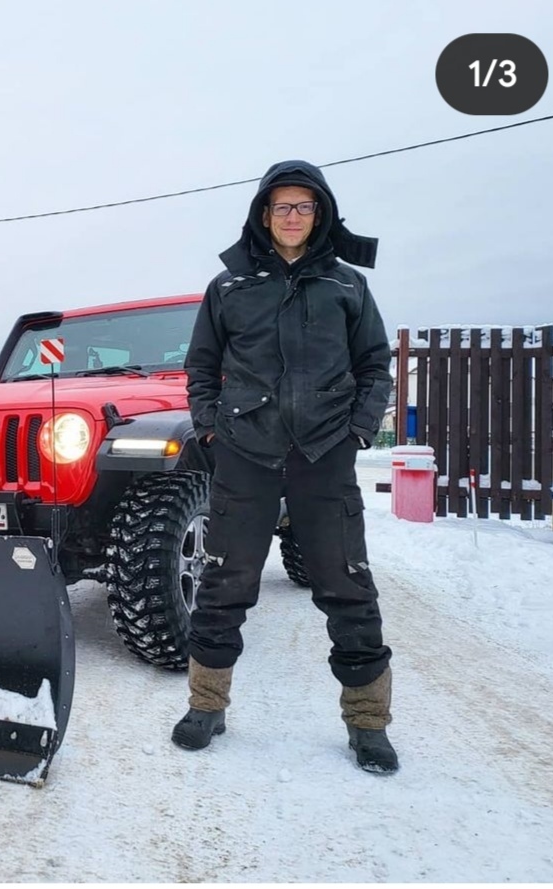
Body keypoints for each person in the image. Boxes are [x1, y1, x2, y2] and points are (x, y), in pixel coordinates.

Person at [175, 159, 398, 773]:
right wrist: (212, 429)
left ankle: (367, 723)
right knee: (223, 583)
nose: (293, 216)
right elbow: (201, 368)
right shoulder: (229, 288)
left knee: (346, 584)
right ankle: (207, 705)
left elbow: (376, 364)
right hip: (245, 453)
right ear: (263, 214)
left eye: (304, 206)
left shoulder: (347, 286)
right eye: (282, 207)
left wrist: (356, 429)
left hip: (324, 453)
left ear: (320, 213)